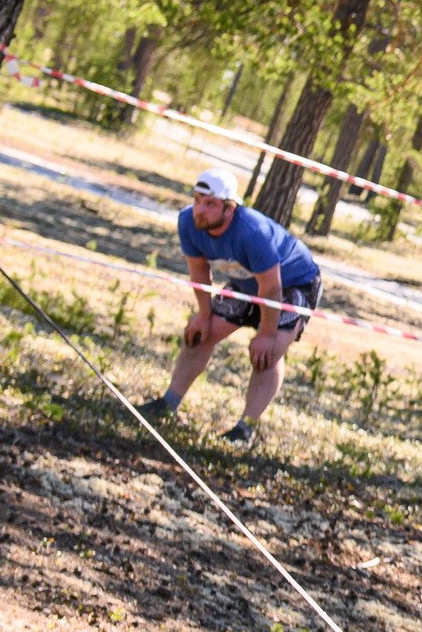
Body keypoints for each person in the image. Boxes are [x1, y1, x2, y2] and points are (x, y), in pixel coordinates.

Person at [138, 168, 322, 445]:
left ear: (230, 207)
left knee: (266, 355)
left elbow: (272, 287)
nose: (200, 209)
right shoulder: (188, 221)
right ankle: (168, 404)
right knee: (200, 335)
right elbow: (199, 272)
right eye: (197, 200)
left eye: (210, 204)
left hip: (293, 284)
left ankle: (244, 429)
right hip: (245, 281)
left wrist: (267, 334)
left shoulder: (252, 231)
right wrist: (203, 314)